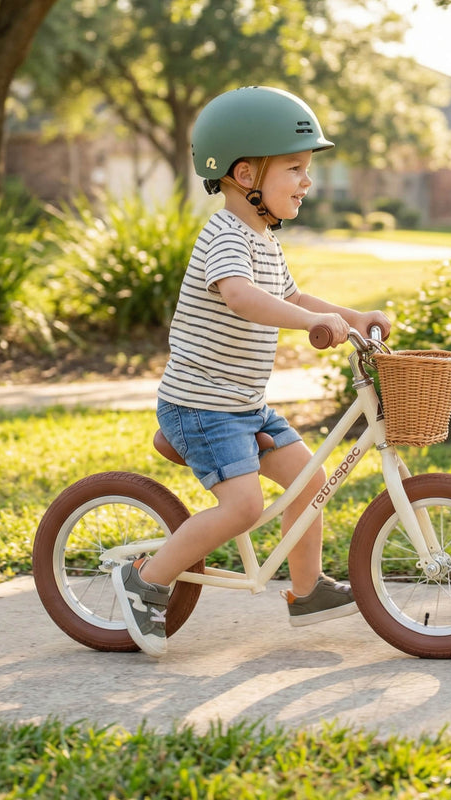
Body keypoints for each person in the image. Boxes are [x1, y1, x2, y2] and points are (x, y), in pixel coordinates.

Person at [112, 86, 391, 657]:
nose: (307, 182)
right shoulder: (224, 236)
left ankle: (308, 590)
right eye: (295, 168)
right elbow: (241, 297)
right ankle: (145, 582)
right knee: (242, 508)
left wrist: (349, 316)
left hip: (242, 404)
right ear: (245, 174)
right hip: (200, 404)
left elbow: (291, 293)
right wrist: (308, 325)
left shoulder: (263, 239)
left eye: (307, 169)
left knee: (308, 480)